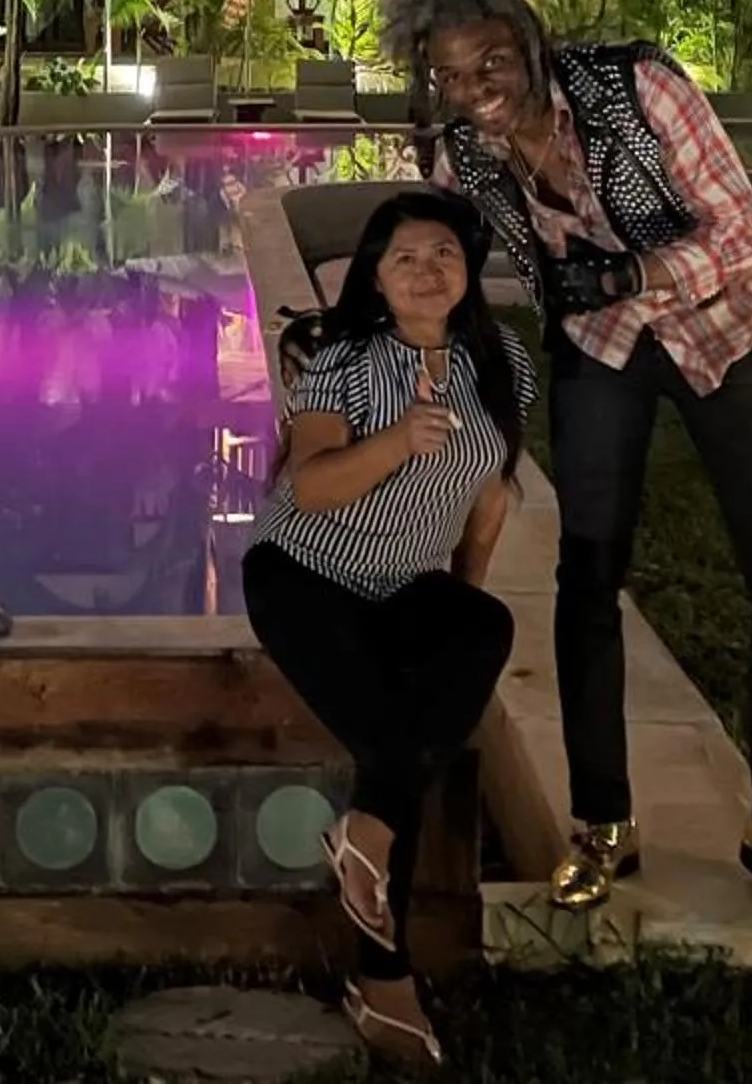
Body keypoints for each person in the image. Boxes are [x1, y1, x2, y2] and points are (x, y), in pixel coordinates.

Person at [384, 0, 752, 937]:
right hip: (597, 354)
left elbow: (743, 231)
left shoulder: (642, 86)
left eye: (490, 67)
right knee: (587, 581)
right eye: (450, 80)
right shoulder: (461, 154)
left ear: (528, 41)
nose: (475, 95)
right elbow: (434, 263)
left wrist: (637, 280)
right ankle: (602, 822)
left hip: (720, 339)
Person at [242, 189, 536, 1069]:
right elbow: (314, 487)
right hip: (304, 574)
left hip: (402, 582)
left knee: (481, 626)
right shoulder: (345, 358)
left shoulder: (500, 360)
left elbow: (490, 493)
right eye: (404, 256)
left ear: (467, 270)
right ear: (374, 274)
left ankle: (364, 843)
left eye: (443, 253)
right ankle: (384, 976)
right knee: (392, 748)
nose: (426, 270)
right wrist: (402, 440)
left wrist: (453, 624)